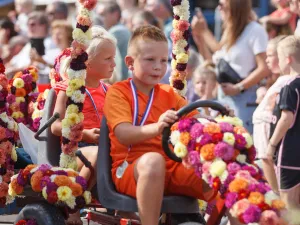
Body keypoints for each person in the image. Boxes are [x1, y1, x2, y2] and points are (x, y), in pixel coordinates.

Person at [103, 25, 236, 225]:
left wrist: (221, 120)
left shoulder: (168, 93)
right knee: (153, 161)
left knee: (224, 169)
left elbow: (197, 119)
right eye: (150, 60)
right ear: (130, 62)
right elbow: (123, 134)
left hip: (171, 168)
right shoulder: (118, 92)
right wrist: (157, 127)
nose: (158, 66)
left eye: (164, 61)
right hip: (132, 169)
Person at [51, 26, 117, 225]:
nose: (114, 63)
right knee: (98, 154)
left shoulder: (111, 90)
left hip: (107, 149)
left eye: (113, 58)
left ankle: (122, 207)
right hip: (77, 152)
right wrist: (85, 134)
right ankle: (73, 206)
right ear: (87, 62)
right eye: (108, 59)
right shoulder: (70, 88)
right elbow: (55, 126)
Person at [192, 0, 270, 133]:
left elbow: (264, 68)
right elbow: (214, 63)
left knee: (242, 145)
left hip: (243, 101)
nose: (218, 8)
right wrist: (200, 39)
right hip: (224, 100)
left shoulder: (255, 30)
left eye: (222, 4)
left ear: (235, 6)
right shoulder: (230, 31)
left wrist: (238, 87)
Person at [266, 36, 300, 223]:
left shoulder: (290, 86)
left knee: (288, 206)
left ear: (287, 59)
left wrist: (271, 145)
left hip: (289, 153)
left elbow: (287, 118)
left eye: (278, 59)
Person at [252, 35, 290, 194]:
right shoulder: (280, 80)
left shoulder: (289, 81)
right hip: (264, 144)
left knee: (279, 193)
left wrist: (272, 145)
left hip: (271, 144)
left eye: (270, 56)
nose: (266, 60)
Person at [96, 1, 131, 80]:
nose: (101, 19)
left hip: (119, 80)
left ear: (115, 14)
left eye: (104, 14)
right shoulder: (119, 30)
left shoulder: (117, 32)